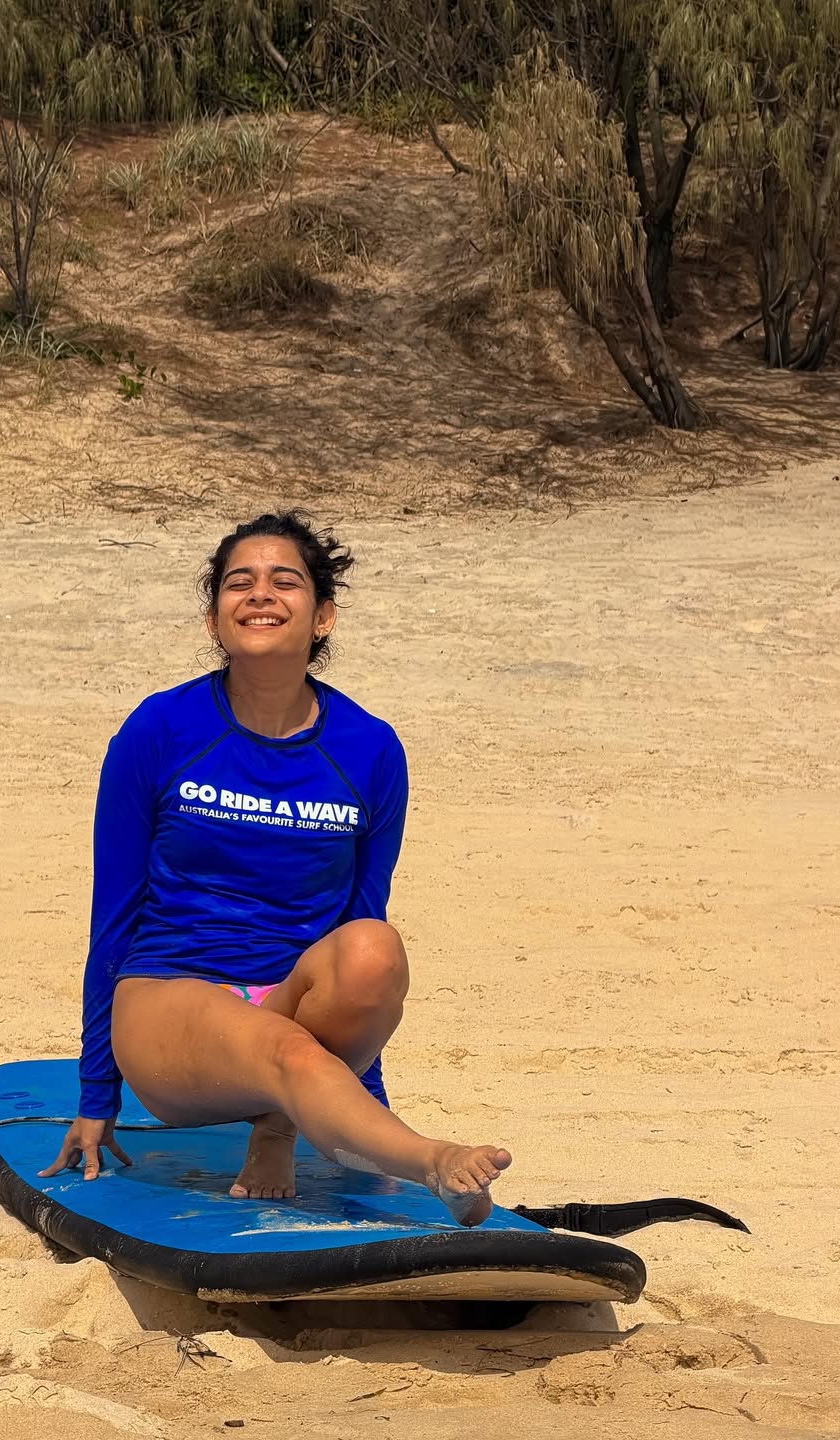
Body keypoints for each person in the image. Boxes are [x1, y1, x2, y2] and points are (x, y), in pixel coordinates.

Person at [40, 512, 511, 1224]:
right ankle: (433, 1162)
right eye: (240, 583)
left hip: (292, 997)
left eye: (284, 581)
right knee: (286, 1050)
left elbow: (359, 917)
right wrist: (97, 1094)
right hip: (171, 995)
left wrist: (361, 1087)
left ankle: (278, 1127)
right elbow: (114, 913)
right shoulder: (160, 729)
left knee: (375, 949)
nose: (260, 593)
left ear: (322, 616)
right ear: (214, 620)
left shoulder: (370, 749)